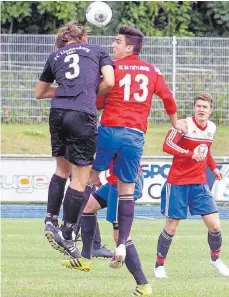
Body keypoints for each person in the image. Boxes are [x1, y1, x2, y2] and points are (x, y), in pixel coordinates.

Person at [88, 25, 187, 267]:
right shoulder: (152, 70)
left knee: (87, 177)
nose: (114, 45)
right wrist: (175, 123)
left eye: (118, 42)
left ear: (129, 47)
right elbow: (168, 98)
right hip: (134, 136)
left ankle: (72, 237)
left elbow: (99, 101)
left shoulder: (112, 69)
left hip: (110, 130)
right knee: (127, 190)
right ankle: (122, 243)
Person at [35, 22, 114, 258]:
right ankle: (68, 234)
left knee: (61, 169)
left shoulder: (55, 55)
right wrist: (87, 90)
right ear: (82, 37)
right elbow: (109, 82)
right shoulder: (98, 50)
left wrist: (66, 90)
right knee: (80, 178)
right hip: (83, 114)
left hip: (58, 113)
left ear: (62, 41)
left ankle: (50, 220)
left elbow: (39, 92)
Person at [153, 93, 229, 278]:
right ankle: (159, 265)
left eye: (205, 107)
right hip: (178, 183)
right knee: (171, 227)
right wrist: (189, 154)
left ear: (210, 110)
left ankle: (215, 259)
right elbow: (167, 145)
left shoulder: (211, 127)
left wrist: (213, 168)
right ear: (194, 108)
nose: (201, 109)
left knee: (215, 226)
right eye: (198, 106)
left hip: (199, 184)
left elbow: (206, 150)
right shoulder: (183, 125)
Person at [62, 157, 153, 296]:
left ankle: (143, 285)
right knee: (89, 207)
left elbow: (107, 150)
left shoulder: (104, 135)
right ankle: (85, 259)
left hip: (123, 182)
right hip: (116, 179)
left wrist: (94, 172)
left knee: (121, 236)